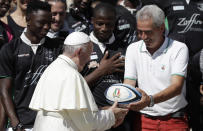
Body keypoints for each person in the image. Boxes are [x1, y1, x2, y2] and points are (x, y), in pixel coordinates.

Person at [29, 32, 128, 131]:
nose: (89, 59)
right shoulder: (73, 75)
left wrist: (101, 111)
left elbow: (71, 112)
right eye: (89, 54)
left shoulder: (52, 68)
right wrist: (111, 115)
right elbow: (88, 124)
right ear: (79, 52)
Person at [123, 5, 189, 131]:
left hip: (174, 120)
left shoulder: (179, 48)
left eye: (148, 32)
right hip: (143, 120)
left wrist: (150, 100)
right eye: (139, 31)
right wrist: (123, 102)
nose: (143, 37)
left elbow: (176, 87)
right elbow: (129, 84)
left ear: (161, 28)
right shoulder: (132, 49)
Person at [0, 1, 62, 130]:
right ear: (28, 20)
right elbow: (4, 90)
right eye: (41, 22)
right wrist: (15, 123)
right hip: (20, 124)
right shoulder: (10, 49)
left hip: (49, 123)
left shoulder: (58, 48)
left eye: (49, 23)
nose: (46, 27)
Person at [82, 3, 134, 131]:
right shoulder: (82, 47)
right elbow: (75, 86)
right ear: (92, 21)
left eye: (109, 24)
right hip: (91, 119)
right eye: (100, 24)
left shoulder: (126, 48)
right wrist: (102, 71)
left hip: (120, 119)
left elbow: (131, 84)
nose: (104, 28)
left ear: (115, 23)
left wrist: (122, 109)